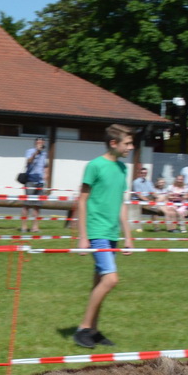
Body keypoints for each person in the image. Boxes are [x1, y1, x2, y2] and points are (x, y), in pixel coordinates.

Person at [70, 124, 136, 349]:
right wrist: (82, 236)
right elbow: (82, 200)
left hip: (111, 233)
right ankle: (84, 329)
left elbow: (121, 205)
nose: (131, 147)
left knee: (100, 281)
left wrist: (128, 236)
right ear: (113, 143)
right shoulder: (94, 166)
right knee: (110, 280)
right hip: (96, 231)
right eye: (127, 143)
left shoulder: (122, 169)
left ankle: (94, 331)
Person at [19, 136, 47, 235]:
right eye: (39, 142)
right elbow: (28, 161)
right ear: (35, 143)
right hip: (30, 179)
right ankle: (24, 226)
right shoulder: (30, 151)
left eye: (42, 142)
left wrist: (45, 178)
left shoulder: (44, 154)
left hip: (40, 181)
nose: (41, 143)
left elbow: (45, 166)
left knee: (37, 206)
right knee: (27, 205)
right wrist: (36, 152)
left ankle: (35, 227)